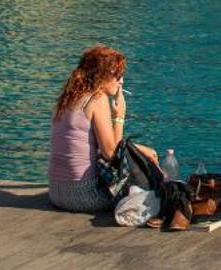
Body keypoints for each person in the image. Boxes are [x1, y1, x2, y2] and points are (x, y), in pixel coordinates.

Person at [48, 45, 157, 213]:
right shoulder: (97, 99)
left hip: (56, 193)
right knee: (152, 188)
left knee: (146, 154)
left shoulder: (66, 98)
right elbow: (112, 153)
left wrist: (141, 150)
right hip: (84, 196)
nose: (122, 81)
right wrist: (119, 116)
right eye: (118, 75)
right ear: (102, 75)